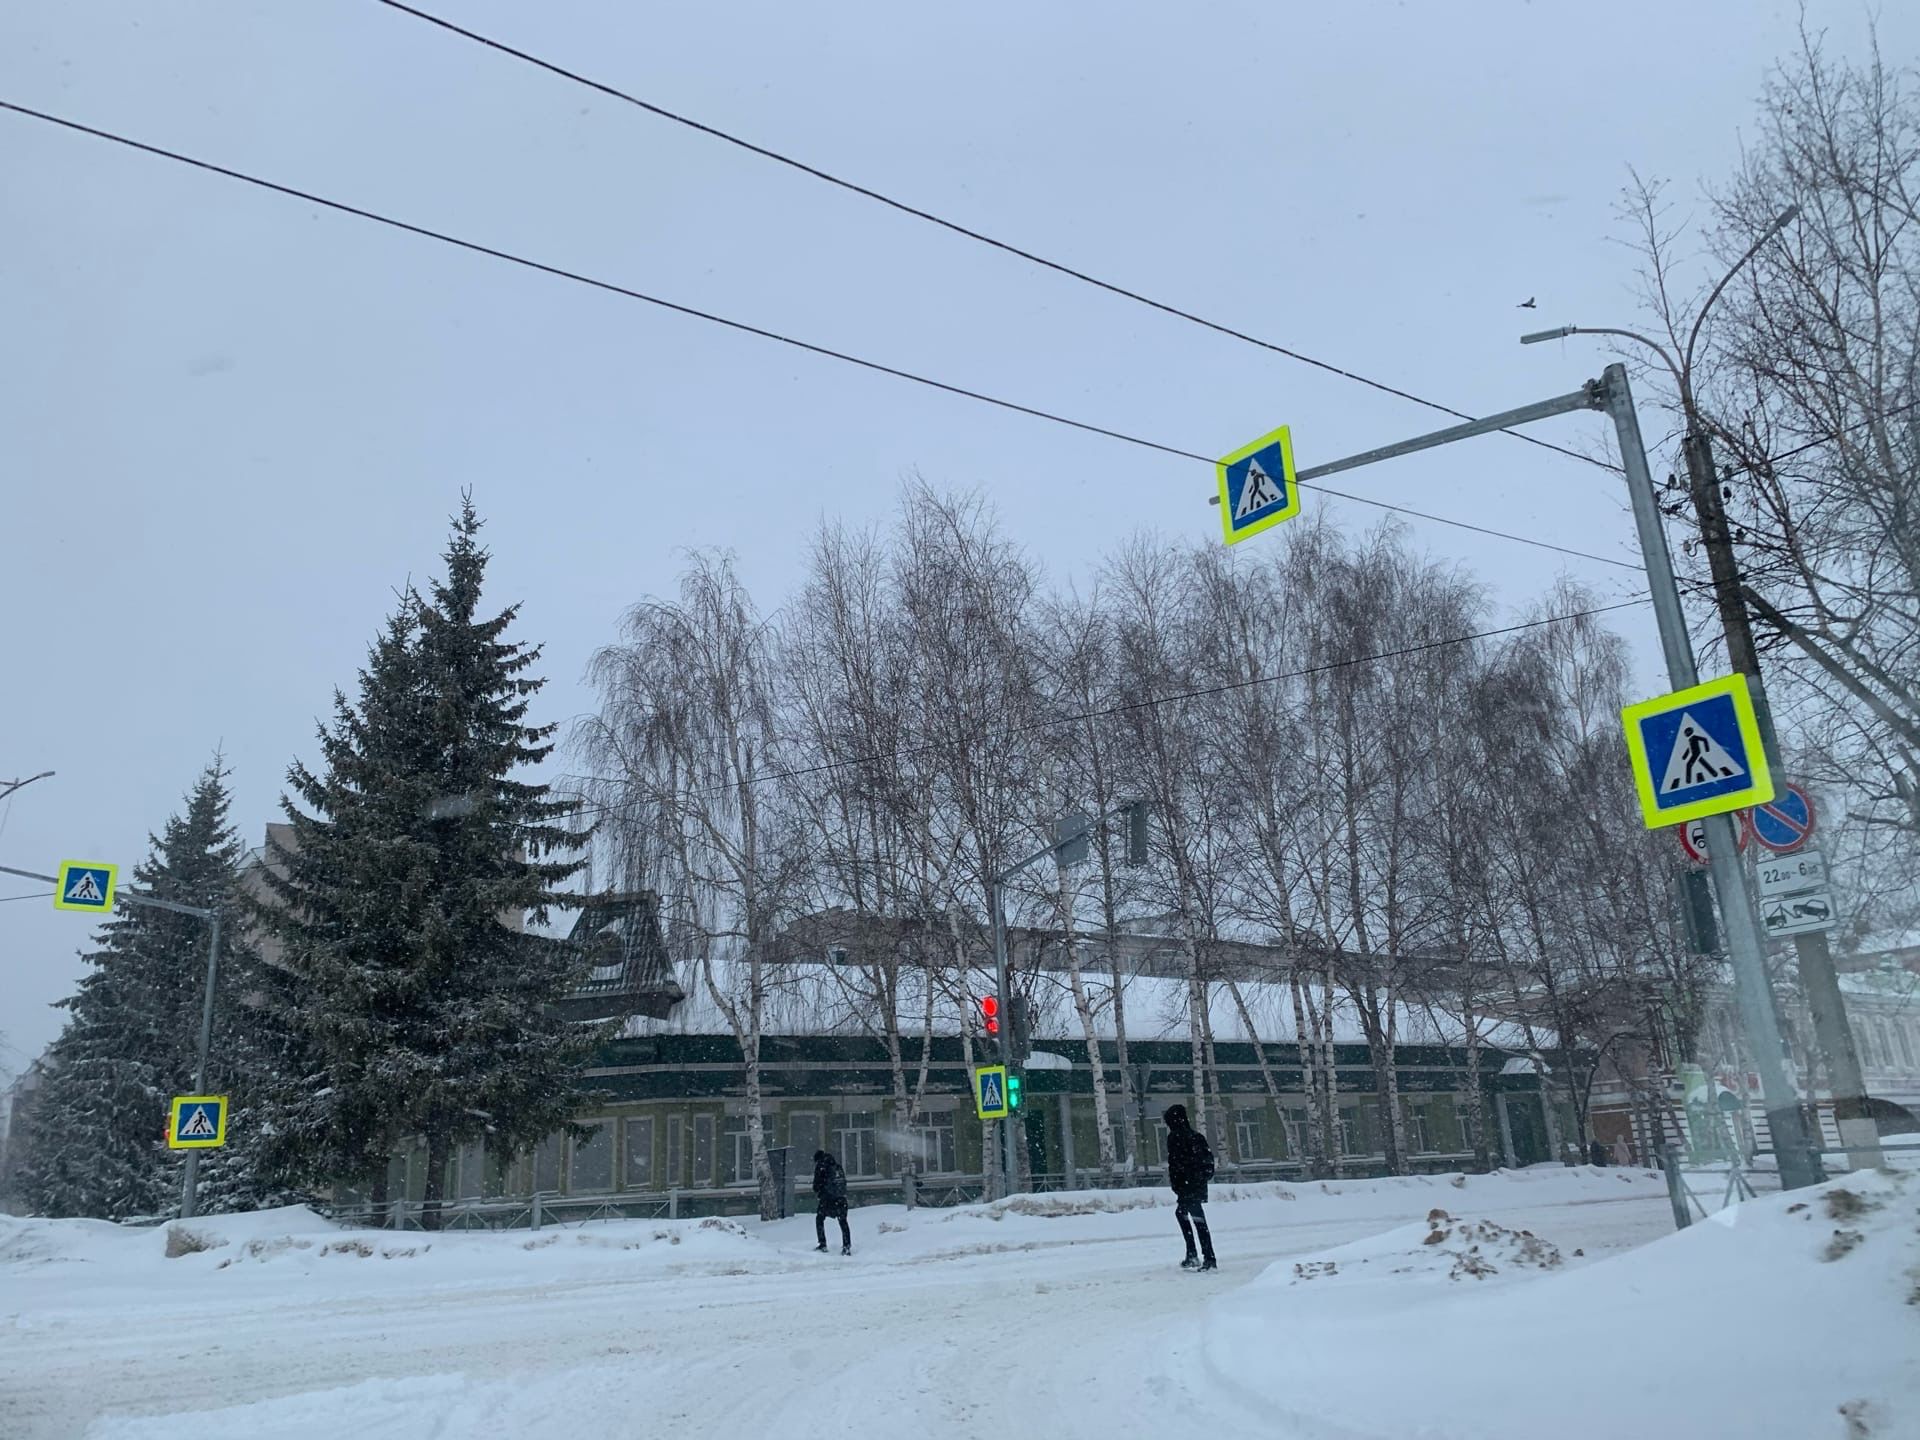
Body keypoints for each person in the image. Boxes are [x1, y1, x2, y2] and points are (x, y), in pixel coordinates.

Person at [1162, 1104, 1217, 1271]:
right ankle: (1201, 1255)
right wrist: (1200, 1179)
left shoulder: (1175, 1138)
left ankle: (1204, 1257)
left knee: (1191, 1218)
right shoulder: (1195, 1137)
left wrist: (1179, 1183)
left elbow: (1175, 1164)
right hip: (1193, 1185)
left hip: (1186, 1185)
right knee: (1192, 1217)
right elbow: (1207, 1162)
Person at [812, 1148, 851, 1255]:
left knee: (819, 1219)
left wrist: (820, 1191)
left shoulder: (821, 1166)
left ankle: (822, 1244)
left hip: (828, 1199)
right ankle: (847, 1246)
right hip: (841, 1199)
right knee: (843, 1221)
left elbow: (816, 1186)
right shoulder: (837, 1167)